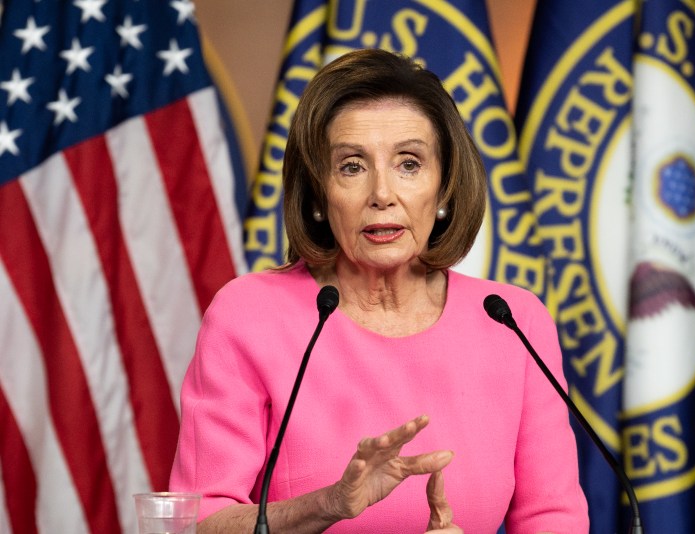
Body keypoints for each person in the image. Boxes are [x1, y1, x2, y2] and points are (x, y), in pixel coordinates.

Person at [169, 48, 589, 533]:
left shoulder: (513, 321)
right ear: (320, 194)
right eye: (352, 166)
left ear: (446, 188)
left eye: (409, 163)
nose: (382, 193)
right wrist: (326, 504)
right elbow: (196, 522)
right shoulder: (249, 315)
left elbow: (552, 517)